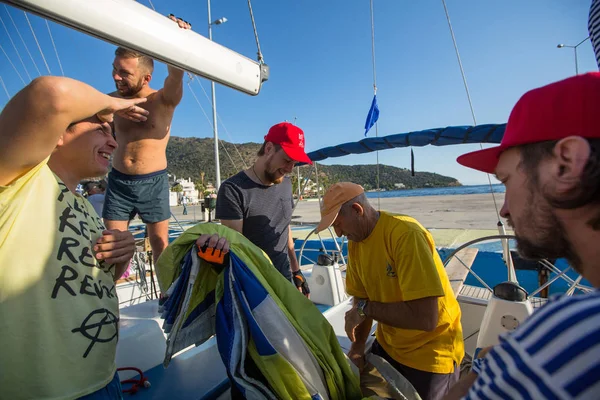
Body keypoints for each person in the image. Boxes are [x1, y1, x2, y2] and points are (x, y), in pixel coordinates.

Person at [445, 73, 600, 400]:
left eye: (506, 180)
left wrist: (488, 366)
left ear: (566, 164)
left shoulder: (567, 336)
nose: (504, 209)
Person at [0, 76, 144, 399]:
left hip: (104, 380)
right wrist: (114, 104)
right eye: (102, 130)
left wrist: (121, 257)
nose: (114, 143)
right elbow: (50, 95)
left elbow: (96, 282)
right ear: (61, 132)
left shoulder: (86, 208)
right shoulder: (17, 181)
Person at [315, 182, 464, 400]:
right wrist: (357, 348)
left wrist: (366, 309)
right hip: (388, 345)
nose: (338, 233)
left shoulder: (405, 235)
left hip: (430, 353)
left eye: (338, 224)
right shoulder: (356, 242)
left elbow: (426, 319)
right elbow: (361, 299)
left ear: (358, 210)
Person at [102, 14, 189, 263]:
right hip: (119, 181)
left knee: (161, 247)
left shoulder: (163, 101)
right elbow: (75, 109)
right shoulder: (110, 101)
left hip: (153, 182)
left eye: (124, 73)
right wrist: (112, 108)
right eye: (114, 69)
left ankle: (168, 299)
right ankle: (108, 300)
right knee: (112, 250)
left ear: (146, 78)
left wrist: (173, 35)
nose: (116, 77)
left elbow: (176, 73)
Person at [215, 122, 312, 296]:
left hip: (285, 281)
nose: (290, 169)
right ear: (268, 148)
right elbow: (236, 252)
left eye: (295, 162)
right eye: (287, 159)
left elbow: (284, 228)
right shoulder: (233, 190)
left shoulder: (286, 184)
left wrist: (296, 271)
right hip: (254, 289)